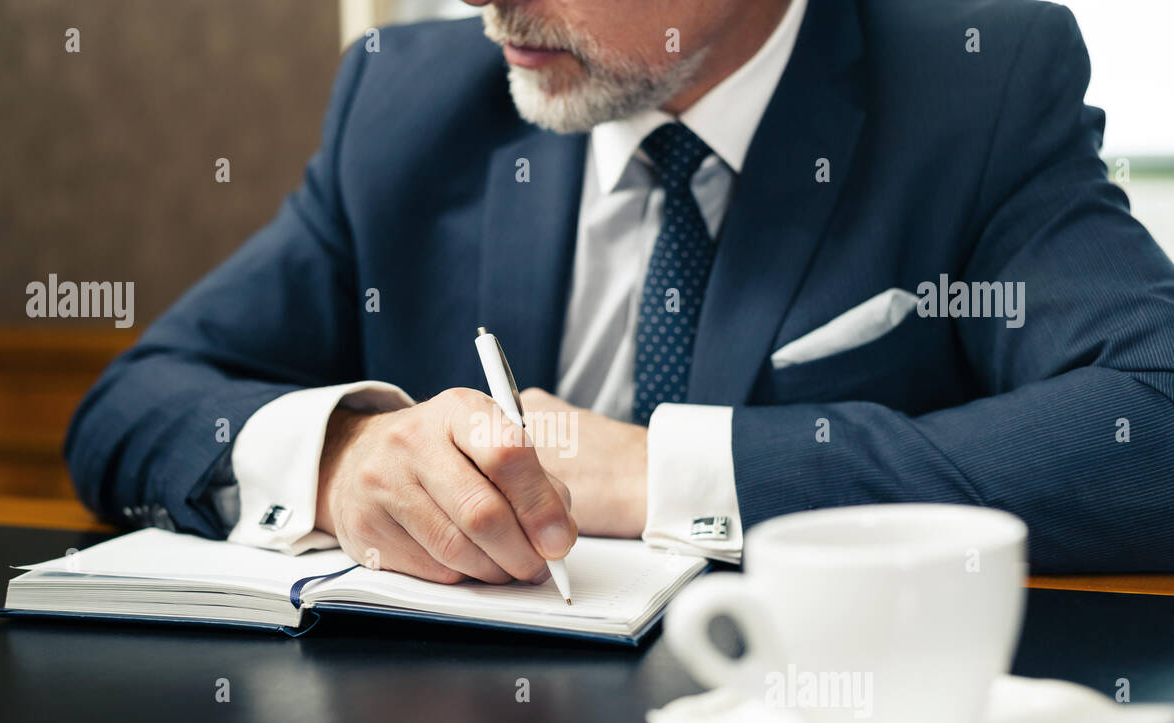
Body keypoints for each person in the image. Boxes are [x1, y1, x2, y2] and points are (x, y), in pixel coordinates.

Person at [66, 0, 1174, 582]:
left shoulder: (978, 84)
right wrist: (343, 455)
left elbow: (1154, 421)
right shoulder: (406, 104)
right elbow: (132, 404)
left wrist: (656, 472)